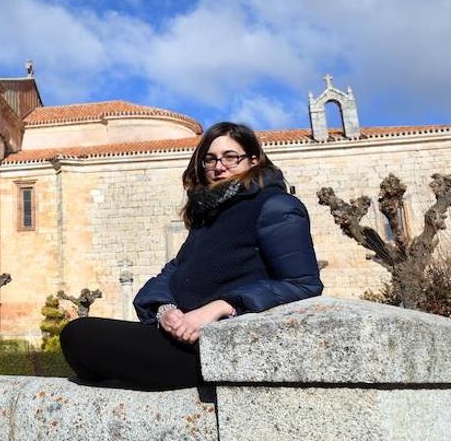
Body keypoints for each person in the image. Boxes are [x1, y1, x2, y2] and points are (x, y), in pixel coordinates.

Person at [60, 122, 323, 390]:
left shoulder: (277, 206)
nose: (219, 166)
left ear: (253, 160)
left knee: (80, 337)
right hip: (179, 335)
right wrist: (164, 309)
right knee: (76, 335)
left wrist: (221, 306)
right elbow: (175, 269)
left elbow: (303, 283)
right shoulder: (209, 212)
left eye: (231, 157)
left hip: (216, 344)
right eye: (210, 159)